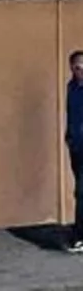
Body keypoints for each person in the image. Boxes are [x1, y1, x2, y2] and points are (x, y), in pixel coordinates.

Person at [66, 50, 83, 251]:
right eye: (79, 67)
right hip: (77, 148)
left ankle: (80, 236)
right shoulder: (72, 88)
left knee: (81, 191)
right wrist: (69, 137)